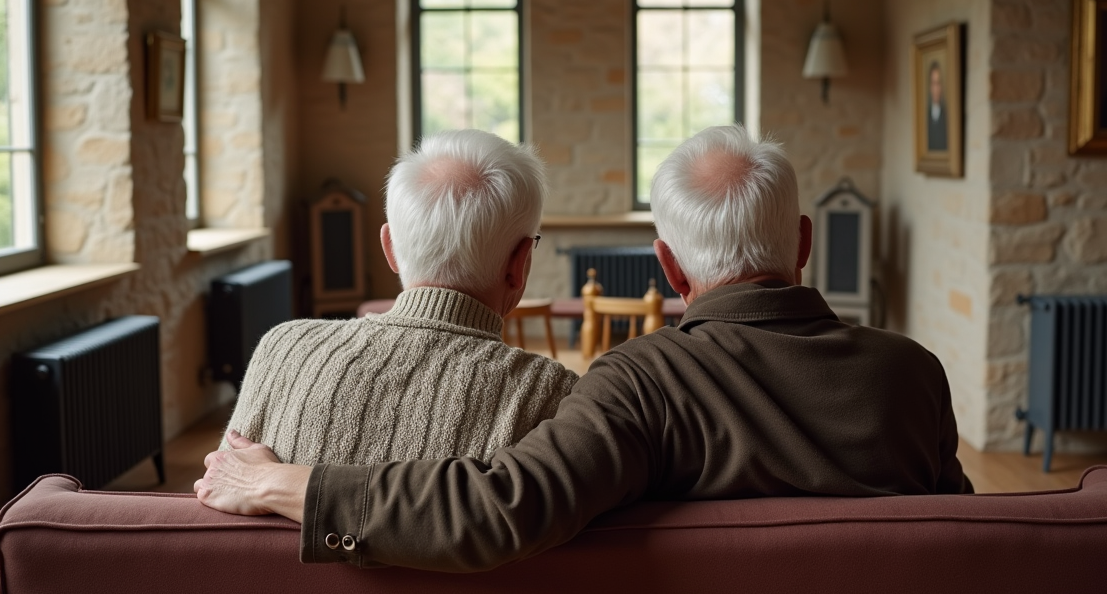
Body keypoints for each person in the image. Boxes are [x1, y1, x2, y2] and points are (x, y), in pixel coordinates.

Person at [196, 126, 973, 571]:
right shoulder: (915, 373)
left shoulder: (642, 382)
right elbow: (961, 539)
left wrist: (289, 488)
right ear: (803, 242)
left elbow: (502, 506)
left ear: (667, 267)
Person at [220, 129, 577, 467]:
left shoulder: (281, 349)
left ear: (389, 247)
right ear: (520, 263)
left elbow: (219, 494)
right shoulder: (552, 397)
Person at [926, 61, 948, 151]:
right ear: (930, 86)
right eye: (933, 83)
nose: (936, 88)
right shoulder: (923, 115)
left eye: (938, 83)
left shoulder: (948, 116)